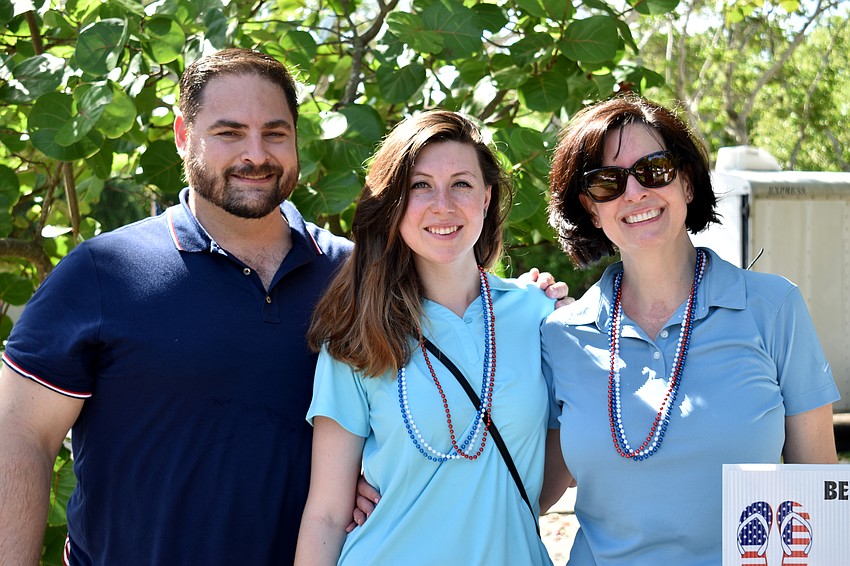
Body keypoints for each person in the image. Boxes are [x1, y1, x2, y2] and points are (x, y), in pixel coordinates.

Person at [0, 49, 568, 565]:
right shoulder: (105, 272)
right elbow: (19, 433)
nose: (255, 154)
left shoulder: (354, 282)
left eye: (275, 132)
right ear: (182, 135)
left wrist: (532, 303)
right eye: (229, 132)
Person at [541, 94, 839, 564]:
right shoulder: (559, 335)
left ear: (687, 182)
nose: (634, 192)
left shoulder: (773, 308)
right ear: (590, 207)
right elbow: (525, 491)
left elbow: (817, 491)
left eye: (654, 170)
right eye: (607, 182)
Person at [294, 110, 571, 565]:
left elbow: (555, 465)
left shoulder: (538, 315)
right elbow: (326, 512)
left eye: (461, 183)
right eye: (420, 185)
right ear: (394, 203)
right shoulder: (358, 332)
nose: (443, 204)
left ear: (486, 199)